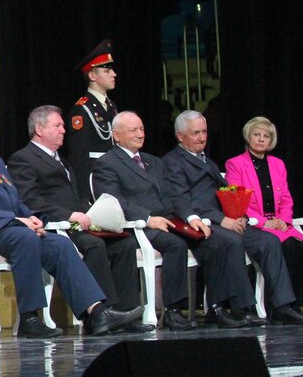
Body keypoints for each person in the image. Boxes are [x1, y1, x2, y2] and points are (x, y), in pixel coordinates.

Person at [0, 106, 143, 337]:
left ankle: (96, 312)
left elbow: (15, 199)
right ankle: (29, 318)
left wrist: (33, 217)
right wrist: (14, 219)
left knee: (60, 245)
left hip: (14, 227)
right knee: (26, 239)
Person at [92, 111, 255, 330]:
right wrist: (148, 218)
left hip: (171, 220)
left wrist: (192, 217)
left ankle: (216, 308)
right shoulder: (107, 163)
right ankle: (173, 310)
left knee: (216, 241)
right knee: (175, 245)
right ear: (116, 135)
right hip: (140, 225)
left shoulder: (153, 161)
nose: (140, 134)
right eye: (133, 130)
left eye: (142, 129)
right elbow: (114, 201)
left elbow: (175, 196)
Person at [7, 105, 148, 329]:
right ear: (39, 129)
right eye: (58, 125)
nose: (64, 130)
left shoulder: (62, 161)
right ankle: (101, 314)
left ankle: (126, 314)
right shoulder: (24, 158)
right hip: (56, 225)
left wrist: (91, 212)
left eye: (63, 126)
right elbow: (30, 200)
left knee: (124, 244)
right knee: (94, 245)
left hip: (80, 223)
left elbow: (78, 196)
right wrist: (69, 215)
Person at [164, 110, 303, 324]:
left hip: (228, 220)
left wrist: (238, 215)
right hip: (204, 223)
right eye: (196, 133)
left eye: (204, 132)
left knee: (268, 241)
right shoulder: (173, 162)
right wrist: (222, 219)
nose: (202, 138)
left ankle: (282, 306)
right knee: (231, 241)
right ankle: (240, 308)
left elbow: (229, 194)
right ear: (180, 136)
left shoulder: (208, 162)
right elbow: (184, 200)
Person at [225, 117, 303, 313]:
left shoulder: (277, 164)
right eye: (257, 135)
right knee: (286, 246)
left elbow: (286, 198)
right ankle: (279, 307)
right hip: (254, 224)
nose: (261, 139)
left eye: (266, 136)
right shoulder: (235, 164)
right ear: (248, 136)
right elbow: (237, 200)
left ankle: (294, 303)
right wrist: (265, 222)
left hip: (278, 223)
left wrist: (283, 220)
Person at [65, 40, 118, 204]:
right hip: (95, 181)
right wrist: (83, 196)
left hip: (113, 176)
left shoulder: (111, 106)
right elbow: (79, 157)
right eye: (106, 70)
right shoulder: (82, 109)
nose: (114, 74)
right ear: (92, 76)